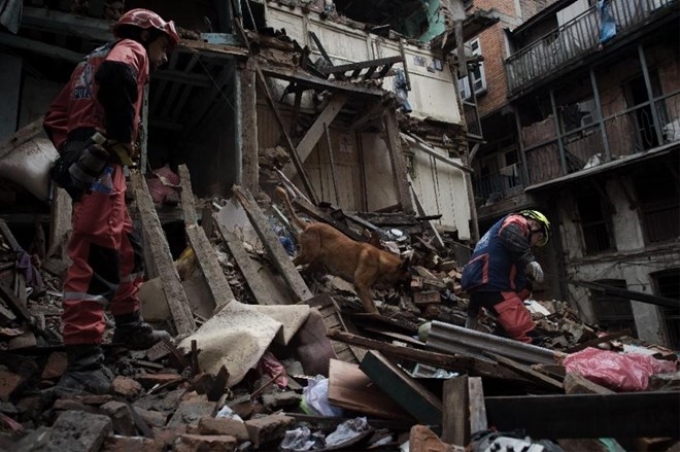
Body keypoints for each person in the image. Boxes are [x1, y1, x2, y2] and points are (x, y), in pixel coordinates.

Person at [43, 9, 180, 394]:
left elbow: (55, 117)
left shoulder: (88, 61)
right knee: (97, 253)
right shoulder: (130, 49)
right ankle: (84, 361)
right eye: (163, 48)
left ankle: (129, 325)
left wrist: (71, 154)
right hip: (102, 161)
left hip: (90, 159)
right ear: (148, 36)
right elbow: (116, 75)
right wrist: (113, 140)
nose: (163, 59)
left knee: (125, 248)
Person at [460, 210, 550, 344]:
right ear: (534, 224)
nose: (535, 243)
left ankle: (503, 330)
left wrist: (472, 312)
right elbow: (509, 232)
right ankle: (517, 335)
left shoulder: (491, 239)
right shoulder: (517, 221)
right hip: (494, 287)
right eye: (538, 237)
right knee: (529, 335)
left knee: (526, 285)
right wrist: (529, 260)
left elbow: (479, 284)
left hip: (480, 284)